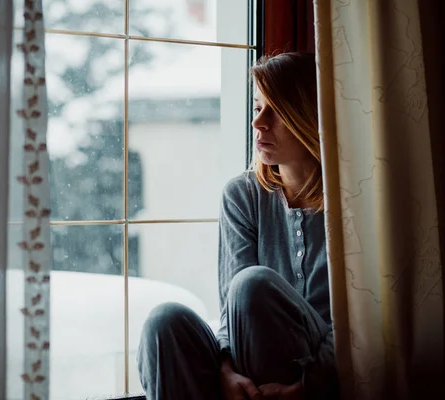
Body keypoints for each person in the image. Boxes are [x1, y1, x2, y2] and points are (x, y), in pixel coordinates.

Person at [136, 52, 339, 400]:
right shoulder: (242, 195)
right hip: (245, 365)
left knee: (254, 284)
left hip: (327, 369)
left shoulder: (352, 201)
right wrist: (225, 370)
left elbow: (368, 320)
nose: (258, 123)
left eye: (274, 109)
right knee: (164, 321)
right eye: (257, 107)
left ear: (309, 116)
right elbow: (232, 311)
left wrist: (308, 385)